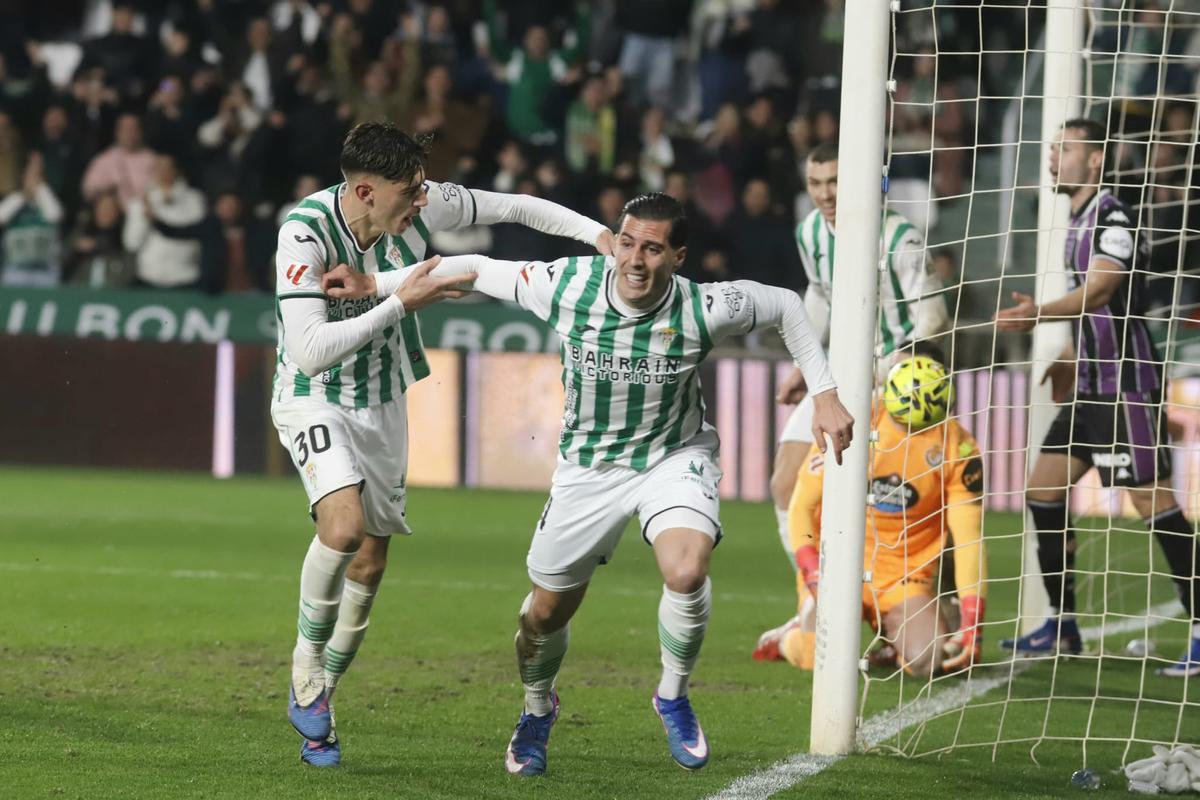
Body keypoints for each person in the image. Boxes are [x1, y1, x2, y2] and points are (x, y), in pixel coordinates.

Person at [323, 192, 855, 775]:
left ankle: (672, 695)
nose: (634, 259)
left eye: (653, 248)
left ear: (677, 256)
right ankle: (536, 709)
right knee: (543, 616)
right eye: (627, 242)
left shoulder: (706, 306)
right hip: (588, 471)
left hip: (673, 458)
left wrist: (824, 389)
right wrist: (376, 284)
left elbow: (784, 305)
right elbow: (472, 267)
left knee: (686, 568)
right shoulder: (569, 285)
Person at [275, 121, 614, 767]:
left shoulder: (421, 203)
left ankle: (324, 702)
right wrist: (402, 301)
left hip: (383, 400)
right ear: (368, 191)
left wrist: (595, 234)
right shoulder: (304, 232)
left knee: (371, 564)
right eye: (411, 189)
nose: (424, 199)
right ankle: (307, 664)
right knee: (342, 530)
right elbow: (310, 352)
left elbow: (513, 205)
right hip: (312, 394)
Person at [995, 118, 1199, 677]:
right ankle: (1063, 626)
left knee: (1150, 501)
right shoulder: (1075, 221)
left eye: (1066, 149)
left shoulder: (1112, 215)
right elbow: (1095, 309)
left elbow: (1104, 288)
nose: (1054, 158)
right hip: (1089, 387)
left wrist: (1038, 313)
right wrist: (1066, 356)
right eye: (1052, 147)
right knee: (1042, 490)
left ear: (1096, 161)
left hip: (1126, 386)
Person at [755, 142, 948, 657]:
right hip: (836, 378)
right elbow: (820, 294)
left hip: (894, 385)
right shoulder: (811, 232)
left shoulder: (899, 237)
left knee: (909, 503)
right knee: (783, 481)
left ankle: (923, 605)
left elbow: (934, 312)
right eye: (816, 183)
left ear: (861, 178)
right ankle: (814, 595)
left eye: (835, 182)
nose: (824, 194)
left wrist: (898, 371)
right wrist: (804, 363)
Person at [757, 355, 986, 676]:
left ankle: (895, 640)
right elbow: (802, 507)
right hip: (837, 566)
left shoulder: (960, 450)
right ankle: (786, 640)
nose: (909, 435)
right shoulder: (851, 422)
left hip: (903, 578)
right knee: (823, 658)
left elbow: (968, 538)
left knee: (926, 660)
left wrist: (973, 618)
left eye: (921, 428)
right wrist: (811, 569)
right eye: (902, 424)